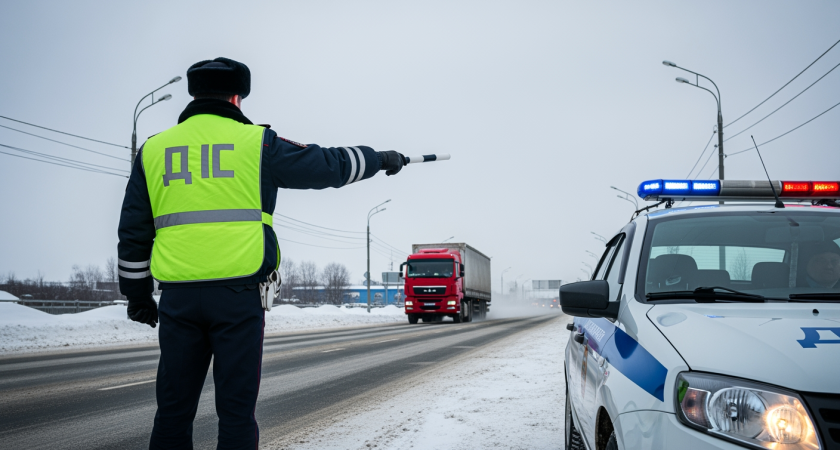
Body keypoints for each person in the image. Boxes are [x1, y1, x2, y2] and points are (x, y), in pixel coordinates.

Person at [117, 57, 407, 450]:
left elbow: (133, 231)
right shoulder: (258, 144)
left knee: (172, 412)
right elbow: (329, 166)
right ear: (237, 97)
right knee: (235, 414)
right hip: (238, 299)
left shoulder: (154, 150)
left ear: (193, 93)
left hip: (178, 299)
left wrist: (137, 297)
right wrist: (380, 159)